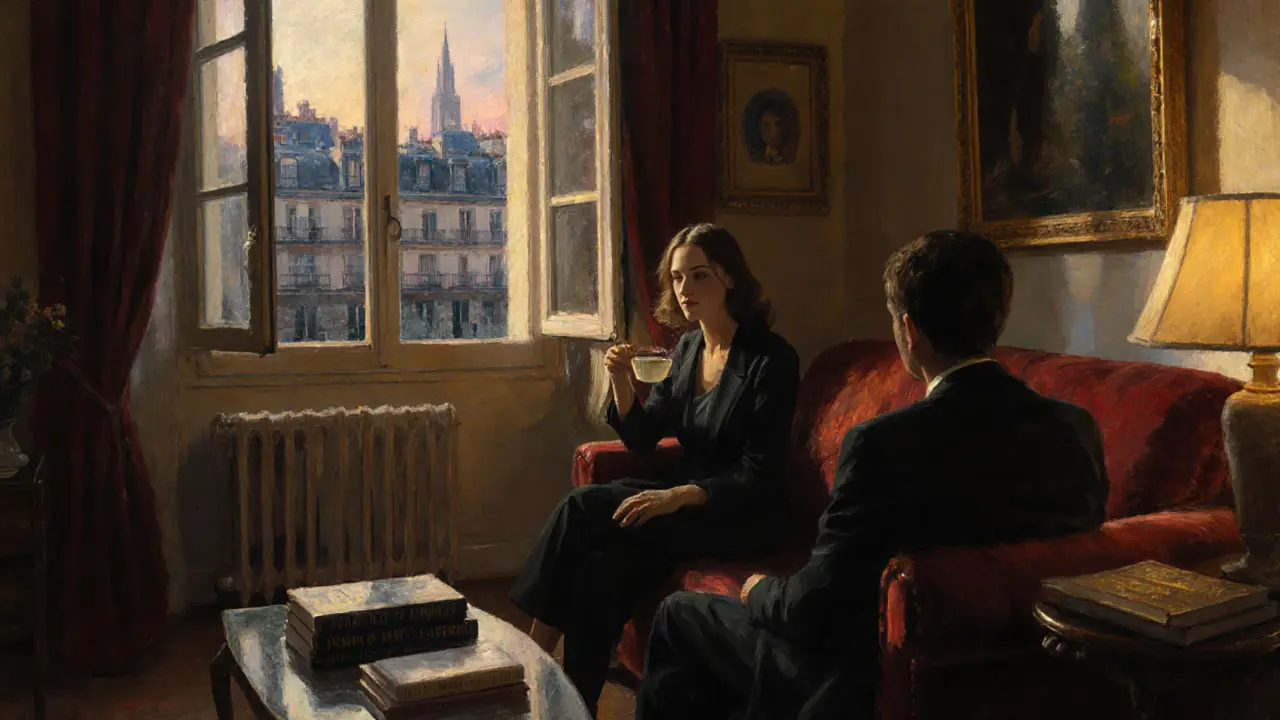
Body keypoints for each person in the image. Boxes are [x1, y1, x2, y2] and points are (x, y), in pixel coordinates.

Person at [636, 229, 1109, 720]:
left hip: (861, 676)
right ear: (995, 317)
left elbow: (813, 608)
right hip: (1016, 678)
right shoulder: (1074, 429)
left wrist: (760, 590)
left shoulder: (883, 443)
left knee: (679, 614)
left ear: (909, 331)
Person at [509, 223, 801, 715]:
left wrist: (677, 496)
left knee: (581, 507)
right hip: (681, 498)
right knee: (605, 568)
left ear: (730, 277)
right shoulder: (688, 349)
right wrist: (622, 382)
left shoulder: (771, 360)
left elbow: (759, 475)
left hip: (738, 513)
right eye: (678, 278)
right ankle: (571, 703)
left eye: (699, 276)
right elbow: (645, 437)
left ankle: (526, 663)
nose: (685, 290)